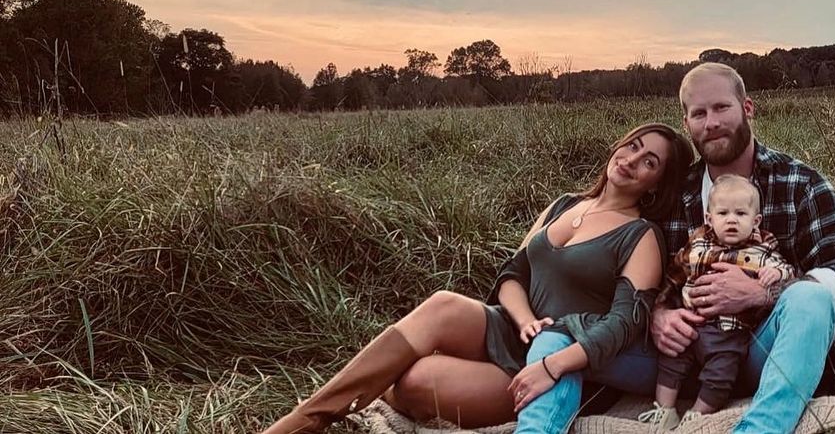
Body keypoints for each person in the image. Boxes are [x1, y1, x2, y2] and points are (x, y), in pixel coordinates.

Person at [261, 122, 694, 434]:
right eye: (632, 147)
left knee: (414, 383)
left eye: (649, 161)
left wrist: (551, 361)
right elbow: (513, 272)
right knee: (444, 303)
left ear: (657, 184)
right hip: (514, 329)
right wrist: (524, 318)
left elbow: (624, 325)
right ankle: (306, 419)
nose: (632, 160)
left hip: (558, 364)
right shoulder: (565, 204)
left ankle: (373, 388)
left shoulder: (642, 236)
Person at [623, 62, 835, 433]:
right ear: (686, 123)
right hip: (686, 355)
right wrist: (658, 316)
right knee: (573, 340)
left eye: (722, 108)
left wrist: (763, 292)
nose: (712, 122)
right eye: (699, 113)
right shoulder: (674, 194)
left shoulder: (800, 184)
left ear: (747, 108)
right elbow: (646, 274)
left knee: (811, 299)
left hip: (761, 353)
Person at [638, 174, 796, 430]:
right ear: (709, 219)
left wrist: (775, 275)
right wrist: (661, 307)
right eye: (723, 213)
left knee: (721, 375)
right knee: (671, 360)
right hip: (691, 322)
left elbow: (787, 271)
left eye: (741, 214)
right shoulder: (696, 244)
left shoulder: (763, 251)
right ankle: (664, 410)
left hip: (729, 334)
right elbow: (673, 275)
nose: (731, 220)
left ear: (756, 221)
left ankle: (698, 414)